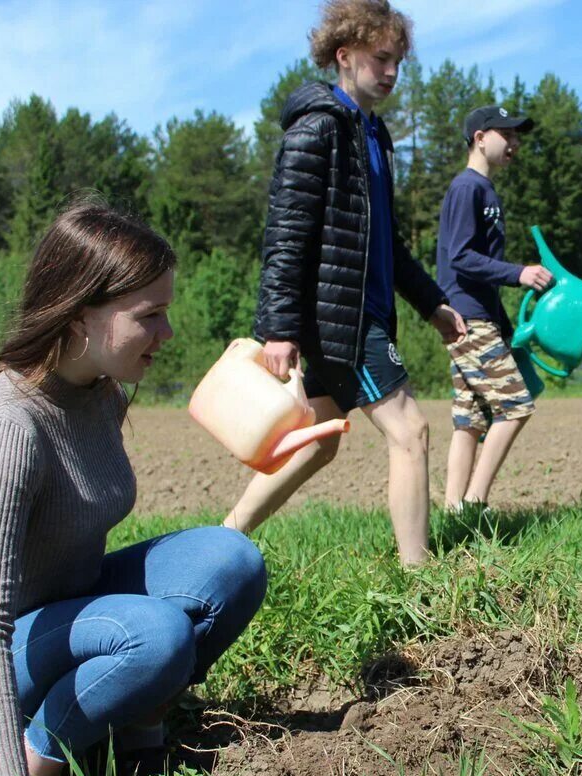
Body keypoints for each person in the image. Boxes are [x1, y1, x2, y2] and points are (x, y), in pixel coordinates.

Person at [0, 203, 268, 776]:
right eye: (150, 316)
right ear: (80, 313)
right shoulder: (7, 426)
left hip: (68, 610)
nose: (167, 334)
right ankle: (38, 759)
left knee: (232, 560)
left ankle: (136, 721)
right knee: (158, 635)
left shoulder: (98, 392)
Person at [223, 0, 466, 564]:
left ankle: (224, 535)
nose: (390, 72)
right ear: (344, 54)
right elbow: (286, 236)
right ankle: (418, 574)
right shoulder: (318, 129)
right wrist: (279, 330)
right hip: (343, 321)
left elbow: (389, 245)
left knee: (321, 440)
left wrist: (432, 304)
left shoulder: (373, 137)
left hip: (363, 312)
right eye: (380, 58)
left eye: (398, 62)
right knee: (410, 430)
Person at [437, 104, 549, 511]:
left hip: (478, 316)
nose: (515, 143)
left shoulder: (485, 191)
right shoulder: (468, 188)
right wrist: (518, 273)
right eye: (507, 134)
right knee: (515, 406)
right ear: (480, 138)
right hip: (467, 318)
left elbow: (473, 267)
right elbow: (461, 256)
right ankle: (474, 503)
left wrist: (503, 323)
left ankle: (453, 512)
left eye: (518, 136)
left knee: (470, 420)